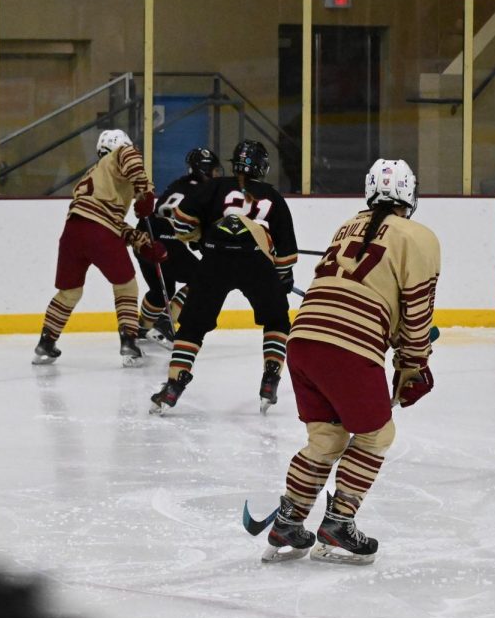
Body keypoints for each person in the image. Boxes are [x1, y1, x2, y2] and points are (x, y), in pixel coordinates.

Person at [259, 158, 439, 565]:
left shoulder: (347, 226)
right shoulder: (419, 235)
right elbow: (417, 311)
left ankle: (289, 521)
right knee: (376, 435)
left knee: (327, 439)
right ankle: (339, 522)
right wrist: (415, 363)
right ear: (410, 195)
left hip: (303, 339)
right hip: (349, 344)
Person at [149, 139, 297, 415]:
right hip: (256, 262)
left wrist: (199, 236)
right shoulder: (273, 197)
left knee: (192, 326)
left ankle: (174, 384)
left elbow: (181, 221)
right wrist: (282, 277)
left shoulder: (213, 187)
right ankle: (270, 378)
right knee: (277, 320)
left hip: (215, 259)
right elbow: (286, 255)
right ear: (262, 167)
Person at [32, 129, 165, 368]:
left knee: (69, 292)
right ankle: (129, 342)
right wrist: (144, 190)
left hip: (72, 233)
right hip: (99, 232)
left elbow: (109, 220)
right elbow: (130, 158)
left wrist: (139, 240)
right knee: (126, 285)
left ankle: (46, 342)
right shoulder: (119, 156)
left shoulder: (94, 174)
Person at [133, 147, 221, 347]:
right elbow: (197, 223)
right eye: (214, 170)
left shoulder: (177, 184)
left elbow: (165, 214)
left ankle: (142, 329)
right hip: (166, 243)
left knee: (160, 290)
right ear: (205, 169)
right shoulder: (205, 191)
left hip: (144, 241)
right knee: (202, 278)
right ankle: (165, 323)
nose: (217, 174)